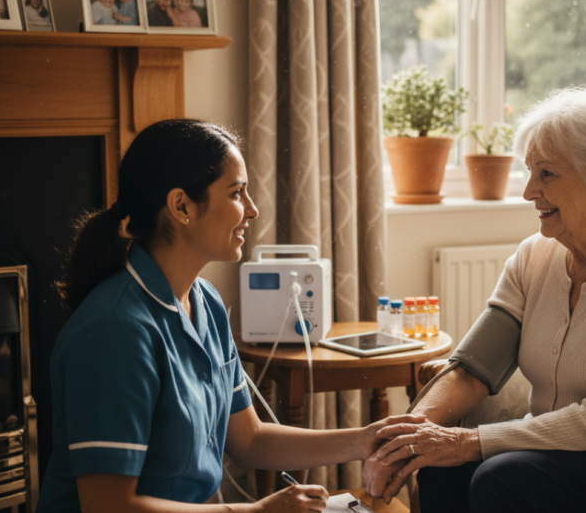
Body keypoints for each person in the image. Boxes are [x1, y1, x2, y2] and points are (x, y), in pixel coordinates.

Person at [363, 88, 586, 512]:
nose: (528, 192)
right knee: (438, 465)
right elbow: (472, 370)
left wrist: (468, 442)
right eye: (529, 172)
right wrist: (408, 440)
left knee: (502, 480)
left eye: (548, 174)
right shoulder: (533, 256)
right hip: (570, 446)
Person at [35, 119, 424, 513]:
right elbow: (108, 507)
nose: (252, 210)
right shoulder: (115, 331)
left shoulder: (205, 301)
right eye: (237, 192)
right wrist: (256, 512)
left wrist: (362, 440)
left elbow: (248, 439)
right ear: (181, 206)